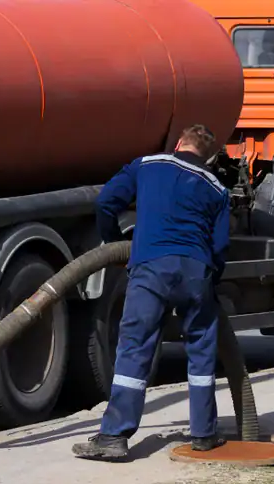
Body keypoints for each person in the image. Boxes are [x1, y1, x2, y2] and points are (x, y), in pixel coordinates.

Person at [72, 124, 231, 461]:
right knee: (202, 351)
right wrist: (208, 279)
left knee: (136, 347)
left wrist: (115, 240)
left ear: (179, 144)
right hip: (195, 272)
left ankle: (114, 436)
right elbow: (220, 247)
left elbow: (106, 202)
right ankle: (203, 434)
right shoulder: (218, 188)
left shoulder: (147, 164)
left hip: (152, 267)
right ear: (209, 157)